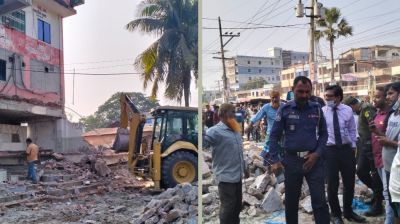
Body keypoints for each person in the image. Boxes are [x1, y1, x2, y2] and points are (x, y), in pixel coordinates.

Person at [269, 76, 330, 224]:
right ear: (292, 90)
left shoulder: (317, 109)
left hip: (313, 161)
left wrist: (317, 154)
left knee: (320, 201)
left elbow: (324, 134)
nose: (304, 95)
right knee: (291, 202)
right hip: (291, 162)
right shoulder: (285, 109)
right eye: (300, 91)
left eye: (307, 92)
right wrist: (275, 160)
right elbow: (274, 136)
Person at [322, 85, 365, 224]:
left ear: (339, 97)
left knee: (349, 182)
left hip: (346, 150)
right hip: (330, 151)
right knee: (332, 184)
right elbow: (319, 132)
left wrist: (353, 147)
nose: (327, 98)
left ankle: (348, 211)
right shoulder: (322, 111)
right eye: (326, 96)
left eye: (330, 96)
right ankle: (335, 214)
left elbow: (353, 130)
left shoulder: (347, 110)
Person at [203, 103, 246, 224]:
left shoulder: (235, 130)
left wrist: (245, 168)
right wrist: (201, 125)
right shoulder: (214, 131)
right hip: (225, 177)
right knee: (228, 207)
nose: (234, 114)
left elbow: (240, 152)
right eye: (232, 112)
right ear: (222, 115)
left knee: (237, 206)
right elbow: (202, 142)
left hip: (237, 176)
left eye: (235, 111)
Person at [344, 96, 384, 216]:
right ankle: (379, 194)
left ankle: (378, 204)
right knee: (361, 171)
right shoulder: (361, 111)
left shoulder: (366, 109)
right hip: (364, 145)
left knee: (375, 174)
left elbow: (374, 126)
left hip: (371, 145)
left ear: (352, 105)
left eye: (349, 109)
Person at [370, 86, 394, 224]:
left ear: (385, 98)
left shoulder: (390, 114)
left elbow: (388, 137)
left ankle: (390, 220)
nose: (375, 99)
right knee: (386, 190)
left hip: (387, 157)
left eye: (378, 97)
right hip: (377, 156)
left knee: (387, 190)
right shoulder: (376, 113)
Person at [247, 90, 284, 165]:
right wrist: (249, 126)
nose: (274, 99)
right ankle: (268, 171)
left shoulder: (284, 106)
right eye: (272, 98)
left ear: (279, 97)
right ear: (270, 98)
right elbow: (257, 116)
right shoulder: (266, 107)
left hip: (282, 135)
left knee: (282, 154)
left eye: (276, 97)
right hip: (270, 134)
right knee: (268, 156)